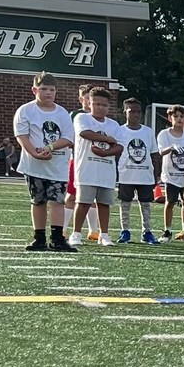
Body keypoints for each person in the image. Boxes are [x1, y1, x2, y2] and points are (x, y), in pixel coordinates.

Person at [12, 72, 76, 252]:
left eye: (52, 89)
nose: (48, 93)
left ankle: (57, 238)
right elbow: (22, 136)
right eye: (44, 89)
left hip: (57, 166)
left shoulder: (62, 112)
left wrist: (50, 147)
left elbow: (68, 138)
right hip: (34, 166)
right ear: (34, 90)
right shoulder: (25, 110)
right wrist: (34, 153)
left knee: (57, 201)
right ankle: (39, 238)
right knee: (38, 201)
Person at [70, 86, 123, 247]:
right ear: (89, 103)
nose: (100, 107)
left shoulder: (114, 124)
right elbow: (84, 133)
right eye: (96, 104)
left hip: (106, 170)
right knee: (83, 202)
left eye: (104, 105)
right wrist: (107, 139)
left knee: (104, 204)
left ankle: (104, 234)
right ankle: (76, 233)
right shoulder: (82, 118)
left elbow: (119, 146)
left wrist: (104, 153)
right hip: (87, 170)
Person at [115, 98, 160, 244]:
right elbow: (116, 153)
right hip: (126, 175)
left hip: (145, 175)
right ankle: (125, 231)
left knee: (145, 204)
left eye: (138, 112)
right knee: (125, 203)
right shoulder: (119, 131)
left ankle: (147, 232)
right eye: (131, 111)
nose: (135, 114)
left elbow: (154, 154)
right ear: (124, 113)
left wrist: (156, 175)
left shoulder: (148, 132)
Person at [156, 104, 184, 241]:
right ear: (169, 118)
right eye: (175, 116)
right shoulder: (164, 134)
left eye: (181, 116)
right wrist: (171, 147)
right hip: (170, 176)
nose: (178, 119)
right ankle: (167, 231)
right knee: (170, 202)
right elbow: (161, 151)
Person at [65, 84, 92, 218]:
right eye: (87, 98)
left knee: (91, 197)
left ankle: (93, 230)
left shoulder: (101, 117)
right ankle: (62, 229)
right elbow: (69, 137)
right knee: (72, 194)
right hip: (77, 159)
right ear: (81, 99)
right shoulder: (76, 115)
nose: (90, 101)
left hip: (94, 161)